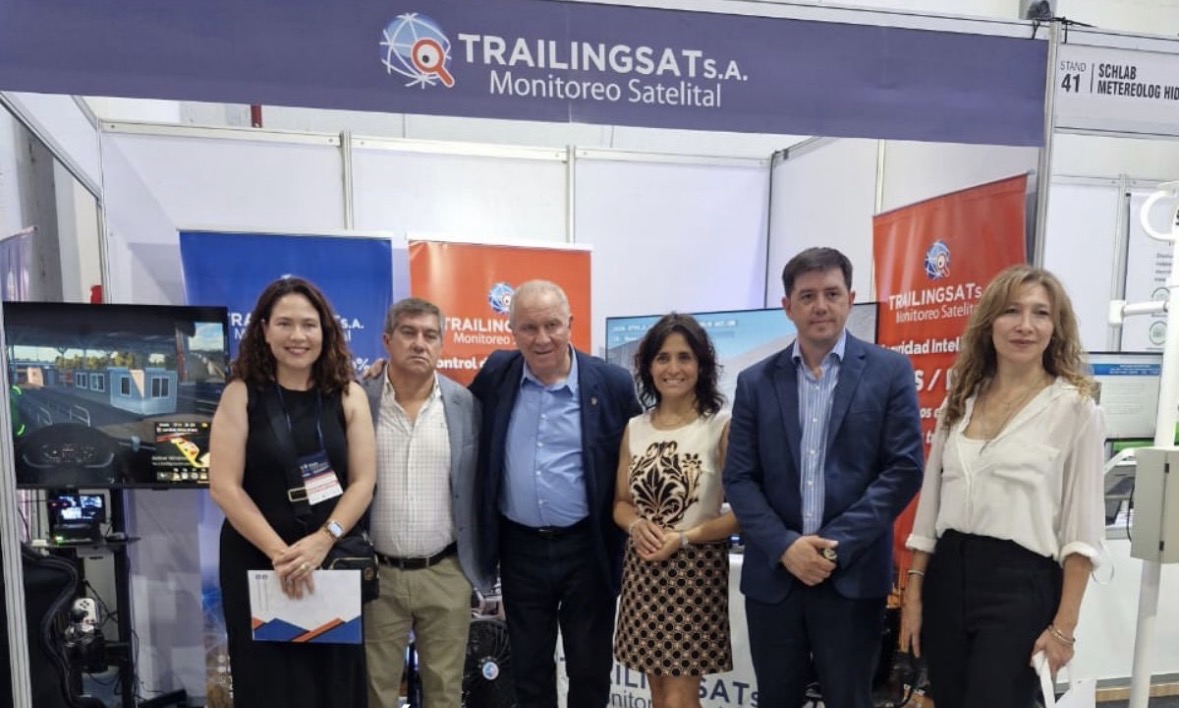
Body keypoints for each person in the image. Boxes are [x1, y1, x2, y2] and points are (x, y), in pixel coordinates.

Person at [722, 247, 924, 708]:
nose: (820, 306)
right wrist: (785, 546)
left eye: (832, 294)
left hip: (851, 577)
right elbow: (740, 478)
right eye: (807, 295)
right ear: (787, 306)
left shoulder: (890, 372)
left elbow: (904, 469)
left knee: (850, 700)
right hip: (775, 577)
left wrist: (834, 547)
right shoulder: (755, 382)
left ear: (850, 299)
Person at [900, 265, 1105, 708]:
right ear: (989, 322)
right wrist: (913, 594)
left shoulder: (1075, 409)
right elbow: (929, 513)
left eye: (1040, 313)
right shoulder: (960, 401)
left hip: (1020, 586)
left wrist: (1064, 629)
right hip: (947, 579)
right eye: (1011, 311)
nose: (1025, 325)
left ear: (1056, 327)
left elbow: (1082, 535)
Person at [469, 279, 641, 708]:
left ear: (570, 324)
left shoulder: (612, 383)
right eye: (528, 328)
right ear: (512, 331)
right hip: (520, 549)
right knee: (528, 670)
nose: (541, 338)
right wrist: (387, 374)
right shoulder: (497, 373)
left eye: (551, 325)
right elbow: (451, 405)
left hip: (587, 548)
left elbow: (641, 451)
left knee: (589, 668)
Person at [209, 276, 376, 708]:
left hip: (330, 561)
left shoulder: (348, 394)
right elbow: (224, 486)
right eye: (285, 323)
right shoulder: (240, 394)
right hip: (258, 562)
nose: (297, 336)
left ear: (326, 331)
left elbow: (363, 482)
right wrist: (283, 556)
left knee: (334, 686)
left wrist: (323, 541)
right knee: (269, 685)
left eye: (308, 324)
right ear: (264, 330)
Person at [362, 297, 491, 708]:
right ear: (387, 340)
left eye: (430, 335)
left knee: (445, 694)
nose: (420, 343)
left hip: (445, 574)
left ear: (441, 344)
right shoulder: (359, 399)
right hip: (377, 576)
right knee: (375, 694)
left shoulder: (465, 405)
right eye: (409, 333)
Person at [612, 313, 738, 708]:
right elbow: (620, 503)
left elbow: (744, 513)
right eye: (663, 357)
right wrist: (637, 526)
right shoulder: (635, 428)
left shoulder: (720, 426)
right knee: (659, 695)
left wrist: (683, 538)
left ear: (701, 365)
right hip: (643, 569)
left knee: (679, 700)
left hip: (695, 573)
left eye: (685, 357)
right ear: (648, 366)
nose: (673, 368)